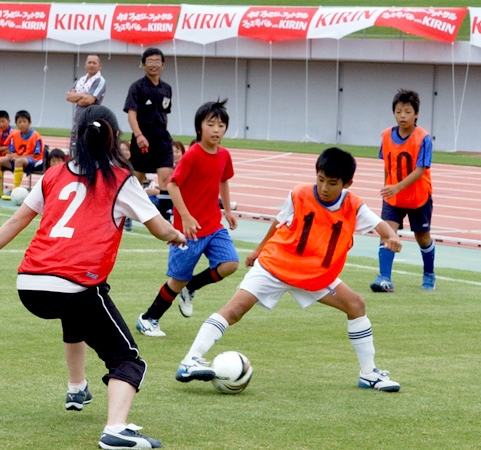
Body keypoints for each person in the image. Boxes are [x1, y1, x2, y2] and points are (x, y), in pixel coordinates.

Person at [0, 105, 185, 450]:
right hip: (74, 283)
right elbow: (159, 228)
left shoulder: (54, 174)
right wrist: (177, 236)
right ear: (114, 139)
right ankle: (116, 429)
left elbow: (17, 221)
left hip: (30, 284)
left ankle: (77, 388)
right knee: (127, 358)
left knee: (78, 313)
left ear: (77, 138)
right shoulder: (121, 179)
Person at [175, 147, 403, 393]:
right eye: (321, 179)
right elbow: (279, 221)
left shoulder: (354, 205)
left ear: (347, 183)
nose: (325, 187)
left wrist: (392, 237)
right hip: (276, 264)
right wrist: (258, 250)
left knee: (356, 305)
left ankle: (368, 374)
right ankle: (190, 361)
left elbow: (381, 225)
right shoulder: (298, 194)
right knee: (235, 310)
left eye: (333, 183)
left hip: (313, 274)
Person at [136, 99, 239, 337]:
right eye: (211, 124)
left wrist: (228, 211)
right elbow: (172, 186)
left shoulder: (224, 155)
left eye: (221, 125)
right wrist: (186, 216)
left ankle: (192, 287)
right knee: (177, 281)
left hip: (213, 224)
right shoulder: (193, 154)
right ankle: (149, 318)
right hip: (188, 230)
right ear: (199, 127)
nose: (216, 129)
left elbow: (223, 179)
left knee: (230, 263)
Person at [370, 89, 436, 292]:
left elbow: (420, 169)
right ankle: (384, 277)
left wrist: (397, 186)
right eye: (398, 111)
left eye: (407, 111)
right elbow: (387, 165)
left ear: (416, 114)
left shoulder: (423, 138)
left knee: (422, 237)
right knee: (387, 233)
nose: (403, 116)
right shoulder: (386, 135)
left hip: (418, 197)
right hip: (393, 198)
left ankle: (429, 274)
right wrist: (387, 187)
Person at [123, 48, 174, 220]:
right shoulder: (136, 87)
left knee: (166, 177)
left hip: (162, 139)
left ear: (163, 64)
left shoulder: (167, 88)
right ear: (143, 65)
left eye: (157, 61)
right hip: (142, 138)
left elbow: (165, 113)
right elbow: (131, 114)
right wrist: (138, 136)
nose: (154, 65)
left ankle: (166, 215)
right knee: (137, 178)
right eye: (150, 61)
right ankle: (128, 214)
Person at [0, 110, 44, 200]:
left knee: (19, 161)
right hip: (17, 160)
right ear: (16, 124)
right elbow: (11, 150)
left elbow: (36, 155)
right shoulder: (15, 135)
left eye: (24, 122)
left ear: (30, 123)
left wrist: (18, 157)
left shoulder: (36, 136)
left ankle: (14, 191)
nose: (22, 124)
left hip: (33, 161)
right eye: (19, 122)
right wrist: (11, 155)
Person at [66, 54, 106, 150]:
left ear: (100, 66)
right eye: (89, 62)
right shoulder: (81, 80)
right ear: (85, 65)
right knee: (74, 149)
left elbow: (90, 100)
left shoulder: (100, 81)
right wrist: (83, 96)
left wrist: (77, 97)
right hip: (78, 121)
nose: (91, 65)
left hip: (90, 121)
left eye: (94, 63)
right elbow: (68, 96)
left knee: (87, 150)